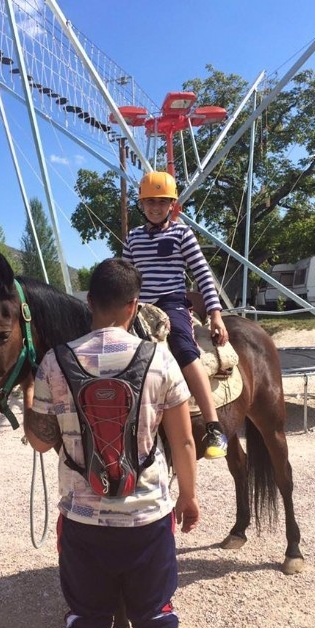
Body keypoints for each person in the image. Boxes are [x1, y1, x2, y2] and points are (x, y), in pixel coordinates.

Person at [25, 258, 200, 628]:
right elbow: (182, 442)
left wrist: (31, 393)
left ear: (89, 303)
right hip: (147, 518)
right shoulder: (158, 357)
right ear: (133, 305)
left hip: (83, 522)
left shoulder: (53, 362)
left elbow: (41, 442)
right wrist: (189, 496)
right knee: (158, 621)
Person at [122, 171, 229, 460]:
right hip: (140, 306)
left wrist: (216, 314)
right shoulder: (133, 238)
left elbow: (203, 274)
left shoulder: (182, 233)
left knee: (183, 347)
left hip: (171, 303)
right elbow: (124, 275)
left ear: (172, 205)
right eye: (149, 202)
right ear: (141, 205)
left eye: (162, 201)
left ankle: (213, 425)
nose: (155, 207)